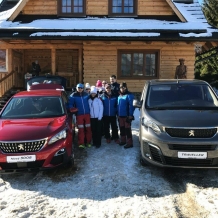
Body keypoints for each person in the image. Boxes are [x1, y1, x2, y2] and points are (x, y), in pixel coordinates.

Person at [68, 83, 92, 149]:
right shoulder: (73, 95)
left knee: (88, 129)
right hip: (79, 114)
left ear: (83, 88)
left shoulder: (86, 94)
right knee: (81, 129)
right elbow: (70, 104)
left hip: (87, 114)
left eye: (81, 88)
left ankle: (88, 142)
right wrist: (73, 109)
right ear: (76, 88)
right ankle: (81, 143)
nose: (80, 89)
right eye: (79, 88)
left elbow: (91, 100)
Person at [117, 82, 135, 149]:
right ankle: (123, 140)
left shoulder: (129, 95)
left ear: (126, 87)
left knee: (127, 130)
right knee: (122, 129)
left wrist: (130, 115)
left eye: (123, 87)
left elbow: (132, 106)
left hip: (126, 116)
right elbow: (118, 106)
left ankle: (130, 143)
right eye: (121, 87)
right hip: (120, 116)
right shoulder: (119, 96)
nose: (122, 89)